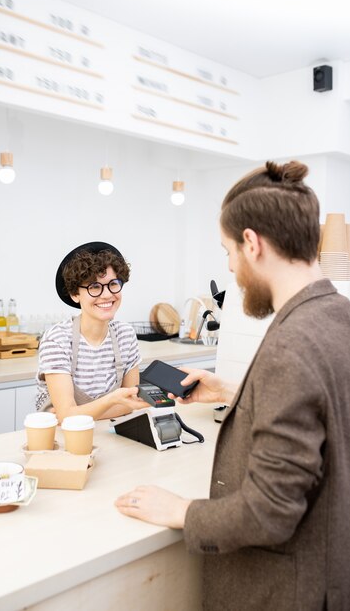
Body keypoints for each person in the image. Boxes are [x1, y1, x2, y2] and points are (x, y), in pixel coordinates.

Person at [115, 161, 350, 610]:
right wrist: (234, 392)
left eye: (227, 252)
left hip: (288, 591)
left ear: (252, 244)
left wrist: (180, 511)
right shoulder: (339, 315)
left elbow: (270, 511)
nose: (230, 269)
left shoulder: (291, 345)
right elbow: (324, 408)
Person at [36, 241, 148, 421]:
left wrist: (75, 412)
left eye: (113, 284)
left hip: (112, 434)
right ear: (75, 294)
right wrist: (116, 402)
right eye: (94, 287)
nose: (106, 294)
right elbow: (67, 418)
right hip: (64, 440)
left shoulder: (125, 335)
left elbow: (131, 404)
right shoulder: (57, 339)